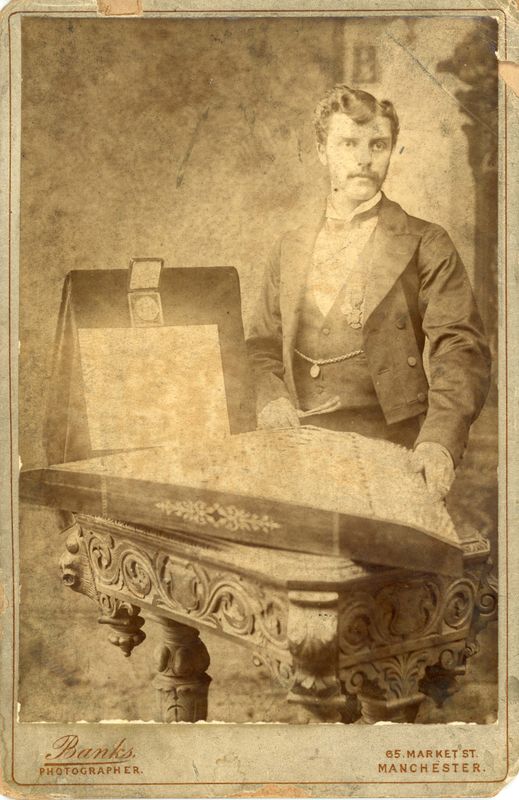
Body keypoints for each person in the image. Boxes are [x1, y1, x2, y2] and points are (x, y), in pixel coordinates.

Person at [246, 85, 491, 501]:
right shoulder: (289, 248)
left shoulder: (425, 242)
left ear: (392, 149)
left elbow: (461, 349)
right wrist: (270, 401)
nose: (363, 160)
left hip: (392, 448)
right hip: (299, 448)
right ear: (322, 150)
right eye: (348, 144)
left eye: (378, 144)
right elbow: (259, 349)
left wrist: (438, 443)